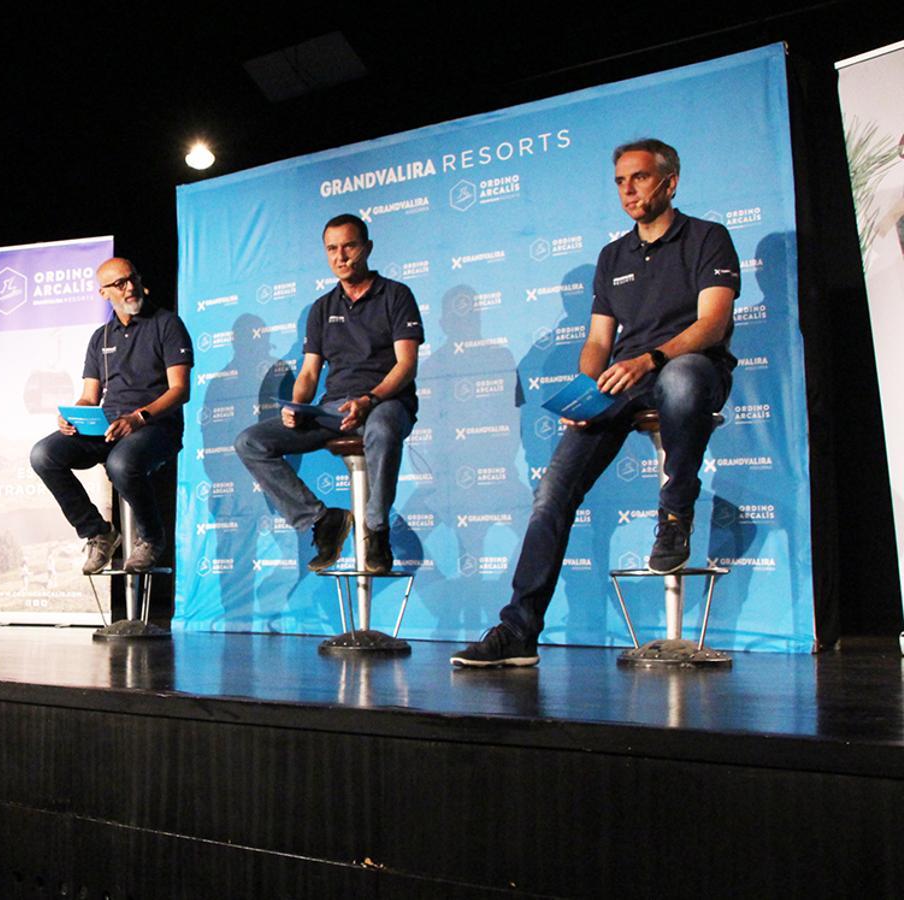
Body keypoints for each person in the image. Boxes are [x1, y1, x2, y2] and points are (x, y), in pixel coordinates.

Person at [452, 138, 740, 667]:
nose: (628, 190)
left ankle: (675, 512)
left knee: (680, 379)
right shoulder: (613, 256)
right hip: (623, 379)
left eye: (640, 178)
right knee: (551, 494)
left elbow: (712, 323)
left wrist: (650, 359)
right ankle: (518, 631)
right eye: (620, 181)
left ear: (669, 183)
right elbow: (597, 344)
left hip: (690, 367)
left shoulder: (706, 238)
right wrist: (588, 388)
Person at [235, 214, 423, 574]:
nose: (341, 256)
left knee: (382, 429)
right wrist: (299, 405)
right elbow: (308, 372)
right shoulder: (322, 308)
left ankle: (376, 528)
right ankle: (321, 520)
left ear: (366, 248)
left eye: (349, 246)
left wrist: (368, 400)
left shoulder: (396, 295)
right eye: (332, 249)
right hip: (333, 409)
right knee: (250, 442)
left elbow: (406, 365)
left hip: (386, 402)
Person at [30, 257, 193, 574]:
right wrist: (74, 416)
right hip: (109, 426)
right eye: (119, 283)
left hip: (155, 426)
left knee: (121, 463)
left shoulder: (167, 324)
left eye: (132, 278)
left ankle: (152, 538)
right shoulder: (100, 337)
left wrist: (138, 418)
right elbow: (90, 396)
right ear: (104, 293)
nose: (130, 287)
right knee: (44, 454)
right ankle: (98, 532)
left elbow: (179, 390)